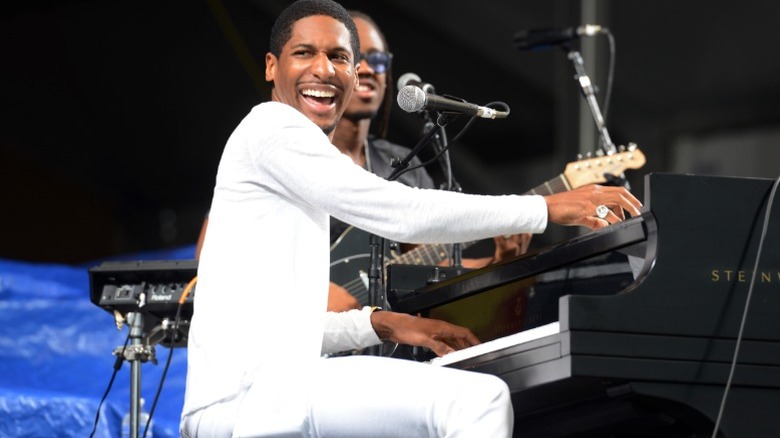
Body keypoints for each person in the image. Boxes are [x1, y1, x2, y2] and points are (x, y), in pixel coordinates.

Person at [180, 0, 642, 436]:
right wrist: (545, 207)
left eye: (341, 58)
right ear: (271, 67)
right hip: (252, 398)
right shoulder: (270, 127)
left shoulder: (291, 153)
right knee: (476, 401)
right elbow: (399, 212)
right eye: (305, 53)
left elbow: (285, 326)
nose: (325, 69)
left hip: (256, 398)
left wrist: (385, 323)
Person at [327, 10, 530, 312]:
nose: (369, 68)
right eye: (356, 57)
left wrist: (496, 262)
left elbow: (428, 267)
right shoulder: (300, 155)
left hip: (385, 343)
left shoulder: (406, 166)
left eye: (379, 60)